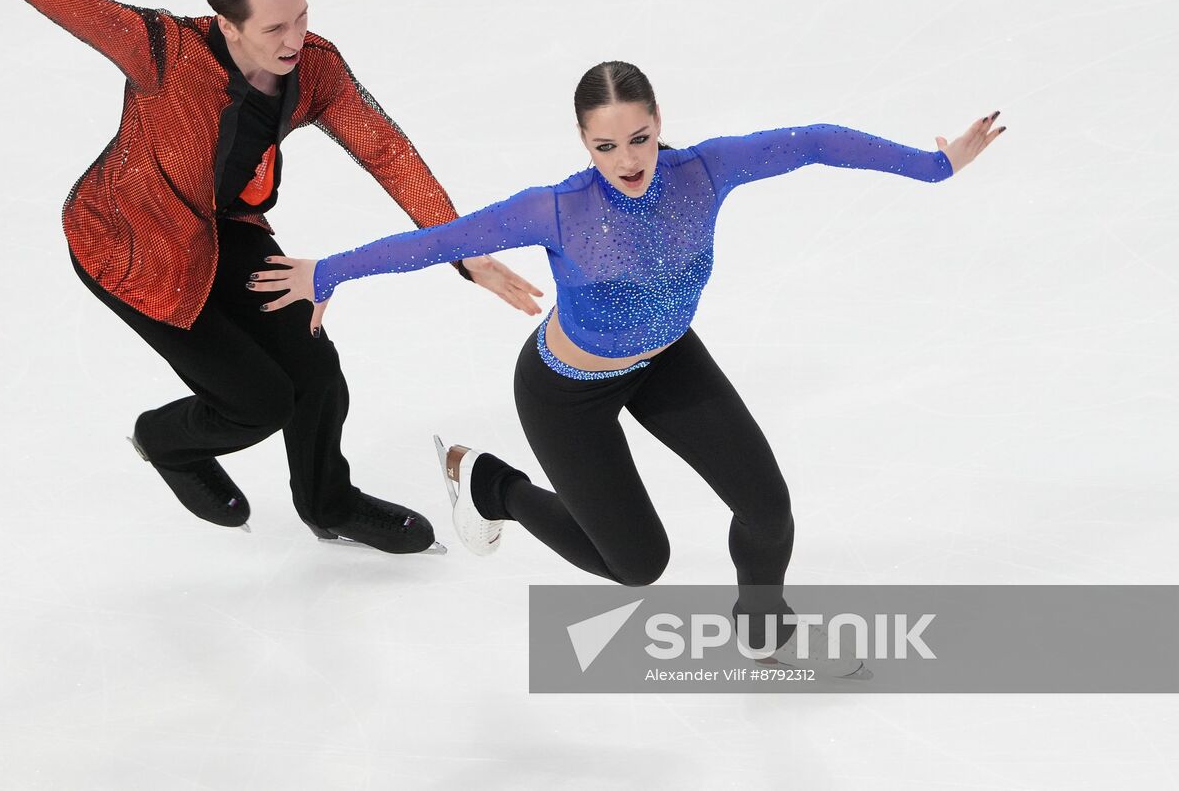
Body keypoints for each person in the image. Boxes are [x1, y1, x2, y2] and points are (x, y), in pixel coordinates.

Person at [249, 60, 1005, 673]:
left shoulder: (705, 172)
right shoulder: (556, 208)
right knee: (639, 564)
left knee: (768, 509)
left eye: (639, 139)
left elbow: (813, 141)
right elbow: (438, 240)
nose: (627, 160)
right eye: (605, 147)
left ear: (658, 125)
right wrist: (331, 271)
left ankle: (761, 623)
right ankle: (491, 484)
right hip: (565, 394)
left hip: (666, 359)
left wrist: (934, 165)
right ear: (583, 142)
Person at [0, 0, 542, 554]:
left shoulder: (316, 68)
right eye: (274, 28)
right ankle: (166, 440)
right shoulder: (166, 53)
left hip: (227, 229)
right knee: (256, 401)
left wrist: (462, 251)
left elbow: (387, 150)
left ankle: (327, 500)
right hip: (132, 247)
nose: (295, 40)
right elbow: (84, 8)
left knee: (316, 369)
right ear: (226, 22)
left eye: (301, 17)